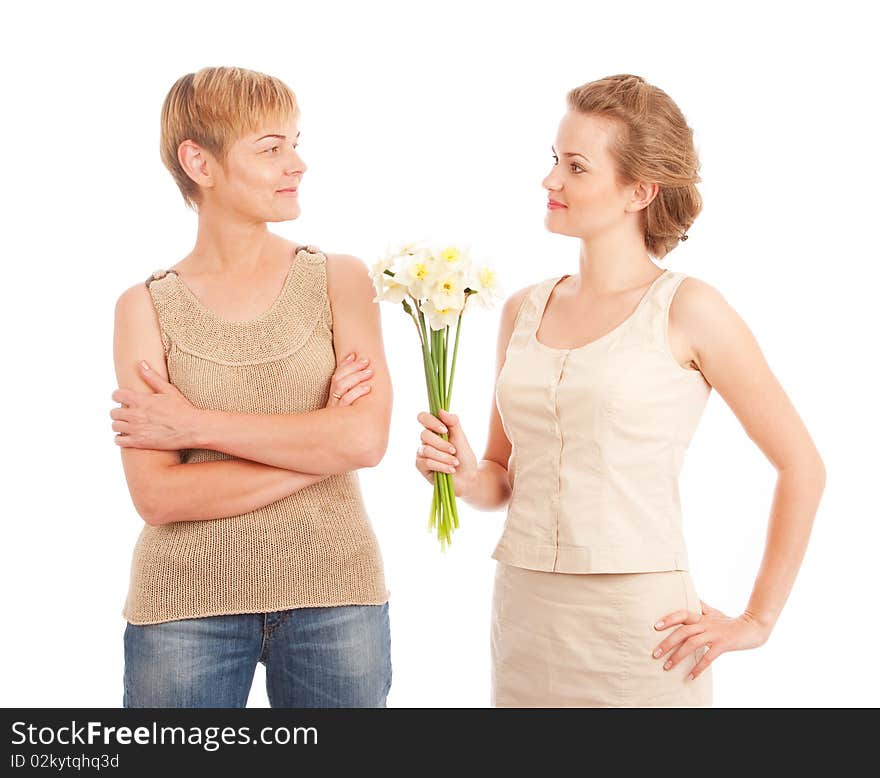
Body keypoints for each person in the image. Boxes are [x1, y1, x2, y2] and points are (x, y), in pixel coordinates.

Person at [414, 74, 825, 707]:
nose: (551, 181)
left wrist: (757, 620)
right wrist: (465, 476)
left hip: (642, 629)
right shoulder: (522, 309)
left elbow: (802, 465)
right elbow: (502, 475)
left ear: (640, 190)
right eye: (555, 159)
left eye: (576, 167)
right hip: (525, 618)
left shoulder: (690, 310)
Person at [110, 66, 392, 708]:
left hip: (335, 595)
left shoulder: (339, 280)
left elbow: (365, 438)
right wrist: (319, 449)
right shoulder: (144, 307)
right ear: (198, 163)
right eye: (271, 148)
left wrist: (197, 427)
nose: (297, 164)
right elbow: (157, 495)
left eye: (295, 142)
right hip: (183, 604)